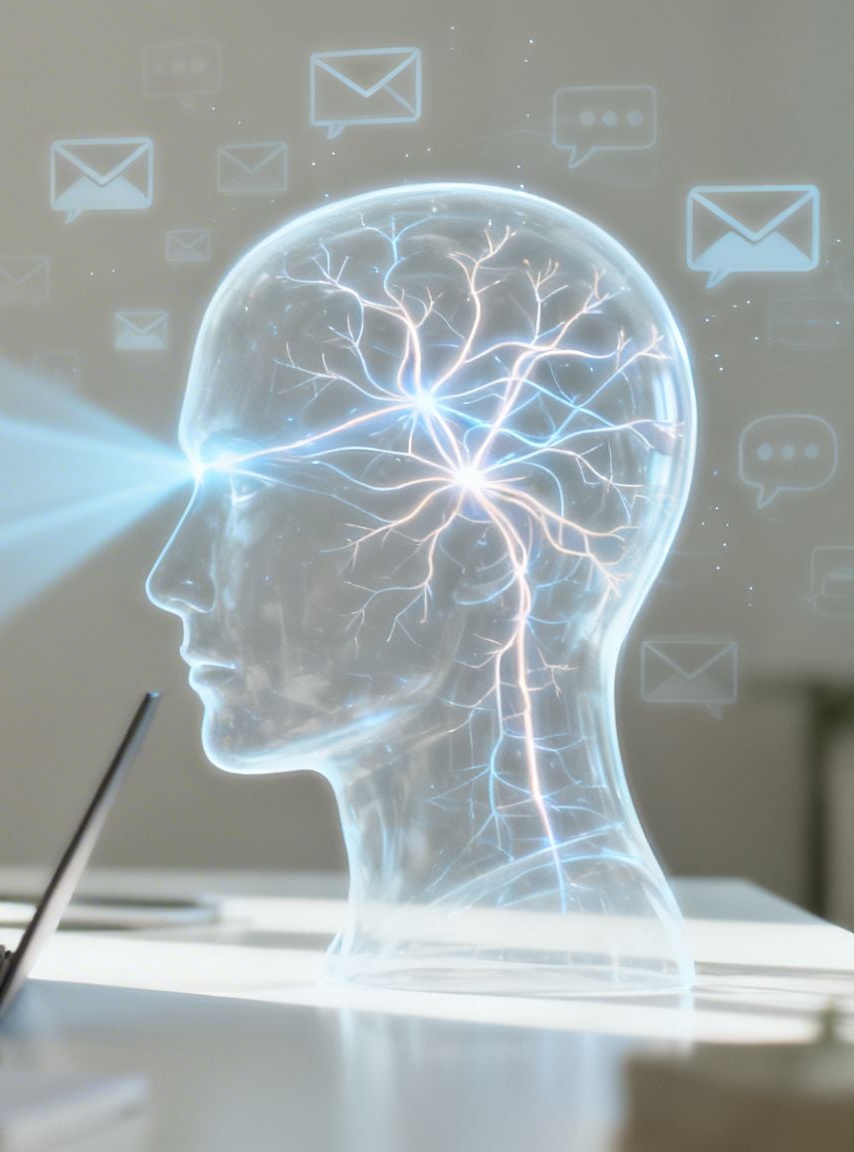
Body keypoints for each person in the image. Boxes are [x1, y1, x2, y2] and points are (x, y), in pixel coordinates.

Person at [145, 183, 696, 995]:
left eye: (250, 487)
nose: (172, 581)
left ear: (485, 543)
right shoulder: (455, 945)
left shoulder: (546, 967)